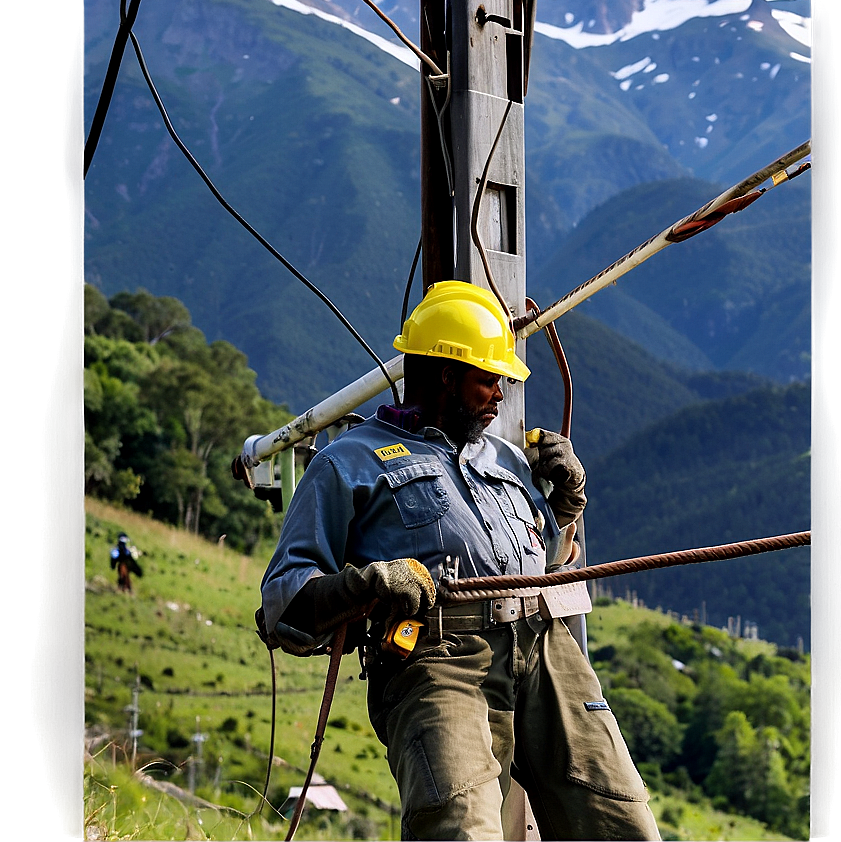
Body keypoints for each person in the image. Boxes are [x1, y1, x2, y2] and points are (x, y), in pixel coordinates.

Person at [258, 281, 661, 841]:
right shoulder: (348, 463)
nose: (500, 395)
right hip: (442, 662)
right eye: (487, 379)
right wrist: (370, 584)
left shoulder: (504, 457)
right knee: (460, 829)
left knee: (623, 826)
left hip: (545, 650)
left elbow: (538, 562)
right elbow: (282, 603)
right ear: (446, 375)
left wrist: (562, 508)